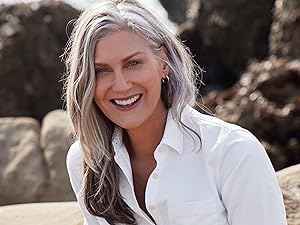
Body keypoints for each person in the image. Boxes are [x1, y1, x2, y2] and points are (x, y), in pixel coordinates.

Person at [63, 0, 287, 224]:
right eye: (101, 70)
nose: (121, 85)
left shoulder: (234, 153)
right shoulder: (85, 161)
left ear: (164, 61)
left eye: (133, 63)